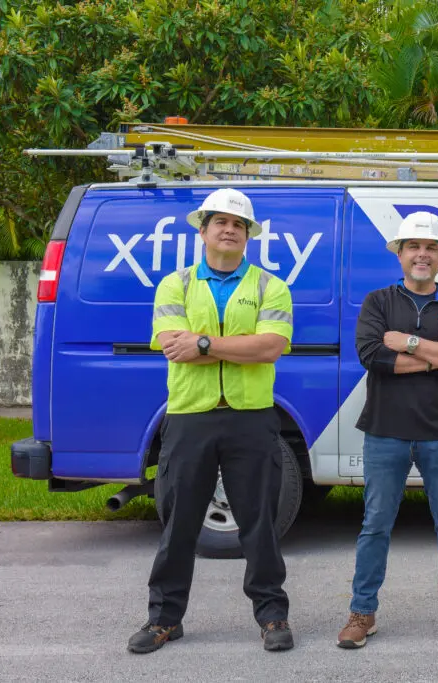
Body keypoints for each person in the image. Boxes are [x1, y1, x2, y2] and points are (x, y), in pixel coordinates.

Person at [128, 188, 295, 654]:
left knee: (259, 522)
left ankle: (272, 615)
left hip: (250, 418)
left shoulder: (270, 286)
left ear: (248, 236)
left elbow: (270, 347)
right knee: (180, 522)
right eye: (219, 222)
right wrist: (232, 346)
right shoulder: (175, 284)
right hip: (190, 417)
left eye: (237, 224)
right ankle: (164, 619)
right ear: (202, 231)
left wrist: (202, 345)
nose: (228, 229)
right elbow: (168, 342)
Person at [337, 211, 438, 649]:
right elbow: (372, 355)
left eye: (431, 248)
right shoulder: (378, 302)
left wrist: (408, 342)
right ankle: (362, 613)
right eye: (414, 247)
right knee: (376, 524)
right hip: (385, 430)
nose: (422, 254)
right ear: (400, 254)